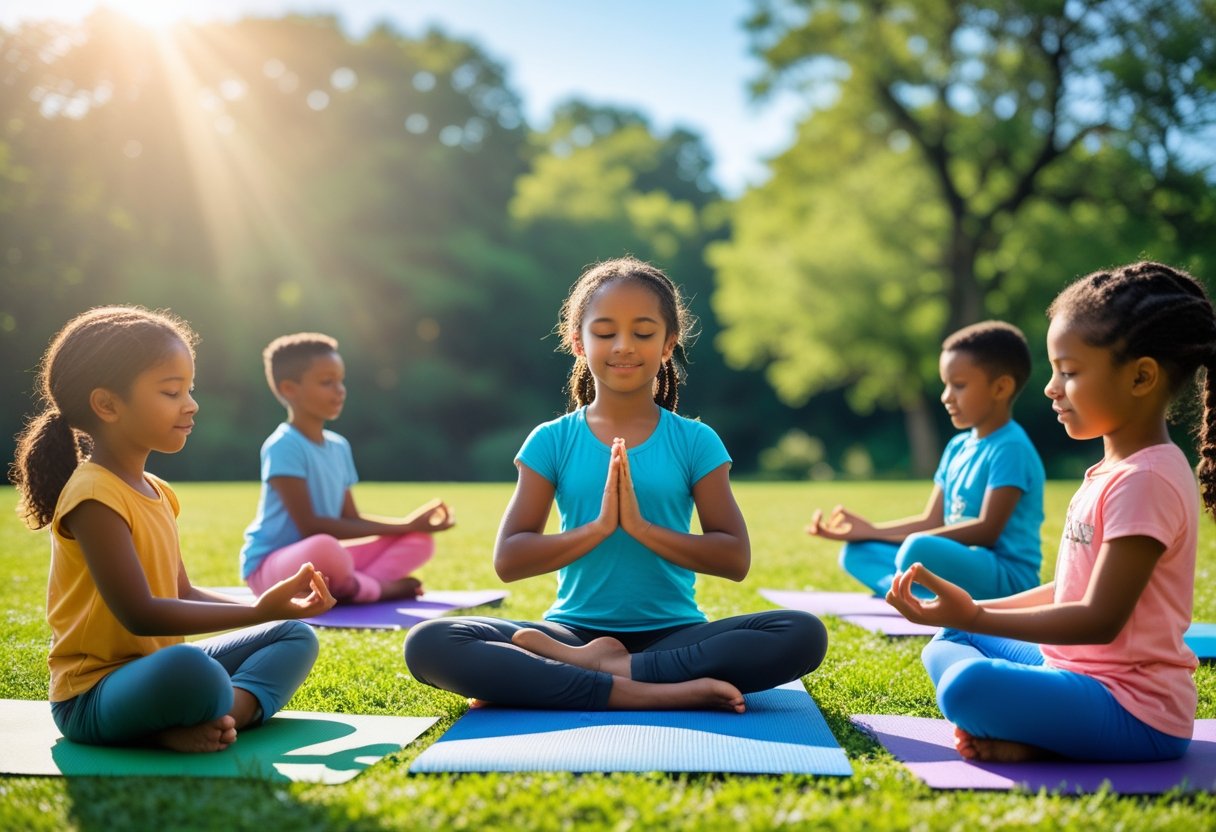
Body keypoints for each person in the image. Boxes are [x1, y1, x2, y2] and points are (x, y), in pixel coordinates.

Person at [403, 257, 827, 711]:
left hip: (674, 636)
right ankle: (646, 691)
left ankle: (609, 676)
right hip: (570, 633)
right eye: (605, 332)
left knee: (802, 633)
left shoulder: (695, 441)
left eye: (643, 333)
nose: (624, 345)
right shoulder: (552, 440)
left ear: (668, 344)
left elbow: (734, 557)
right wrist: (600, 528)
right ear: (578, 343)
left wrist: (642, 529)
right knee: (429, 642)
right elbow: (509, 559)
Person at [887, 261, 1215, 763]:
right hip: (1074, 673)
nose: (1050, 387)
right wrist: (972, 615)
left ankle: (1032, 730)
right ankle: (1031, 728)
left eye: (1070, 372)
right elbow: (1068, 590)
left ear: (1141, 376)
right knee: (951, 637)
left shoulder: (1146, 479)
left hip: (1135, 711)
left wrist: (977, 610)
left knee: (966, 686)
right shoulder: (1112, 470)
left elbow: (1099, 619)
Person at [9, 306, 336, 753]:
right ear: (107, 404)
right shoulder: (93, 497)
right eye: (171, 391)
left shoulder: (157, 490)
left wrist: (271, 609)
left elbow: (183, 591)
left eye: (190, 389)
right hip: (92, 696)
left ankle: (219, 719)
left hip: (158, 670)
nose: (191, 404)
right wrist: (257, 609)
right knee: (190, 669)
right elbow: (141, 613)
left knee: (292, 636)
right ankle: (196, 716)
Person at [807, 321, 1045, 600]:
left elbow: (987, 531)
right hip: (954, 564)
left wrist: (901, 542)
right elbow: (931, 519)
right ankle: (914, 596)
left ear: (1001, 387)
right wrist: (871, 532)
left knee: (916, 549)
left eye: (958, 385)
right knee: (857, 552)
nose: (946, 397)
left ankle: (910, 593)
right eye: (946, 385)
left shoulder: (1010, 447)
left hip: (1006, 577)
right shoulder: (958, 447)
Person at [240, 333, 454, 604]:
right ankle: (376, 589)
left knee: (418, 540)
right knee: (325, 547)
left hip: (325, 560)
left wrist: (409, 526)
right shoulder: (284, 445)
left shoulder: (339, 447)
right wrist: (403, 524)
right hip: (272, 568)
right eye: (327, 382)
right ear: (289, 389)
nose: (340, 390)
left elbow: (350, 518)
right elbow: (310, 527)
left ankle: (346, 585)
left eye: (341, 381)